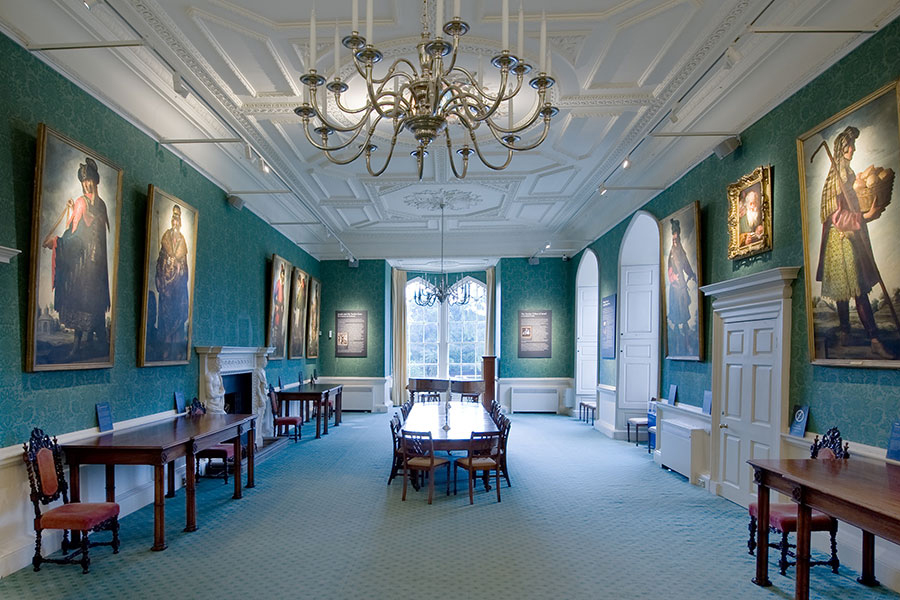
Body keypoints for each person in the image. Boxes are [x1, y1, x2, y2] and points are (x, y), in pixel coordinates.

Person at [815, 125, 892, 358]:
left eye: (853, 144)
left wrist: (864, 210)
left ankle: (860, 336)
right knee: (851, 291)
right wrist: (864, 216)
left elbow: (852, 203)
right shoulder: (839, 175)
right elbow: (835, 216)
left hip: (849, 239)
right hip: (840, 241)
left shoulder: (847, 172)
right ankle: (869, 338)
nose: (853, 148)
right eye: (850, 144)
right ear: (842, 148)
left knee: (854, 289)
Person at [41, 157, 110, 359]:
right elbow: (76, 233)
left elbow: (77, 234)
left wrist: (56, 242)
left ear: (95, 181)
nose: (86, 184)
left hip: (92, 268)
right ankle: (79, 345)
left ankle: (88, 344)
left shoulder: (97, 205)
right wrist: (59, 240)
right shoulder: (84, 203)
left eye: (88, 180)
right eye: (83, 182)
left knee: (90, 305)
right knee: (83, 303)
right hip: (86, 267)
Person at [154, 204, 189, 360]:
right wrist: (162, 280)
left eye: (178, 218)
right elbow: (160, 260)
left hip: (179, 288)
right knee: (165, 317)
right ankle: (166, 347)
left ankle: (178, 348)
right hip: (167, 285)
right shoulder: (166, 238)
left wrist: (181, 270)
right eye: (173, 217)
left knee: (179, 315)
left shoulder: (182, 241)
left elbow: (185, 266)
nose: (175, 221)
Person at [666, 218, 697, 356]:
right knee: (677, 314)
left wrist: (691, 275)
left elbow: (686, 266)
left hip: (682, 287)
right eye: (673, 239)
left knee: (684, 315)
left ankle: (686, 344)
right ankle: (678, 344)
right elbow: (669, 270)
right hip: (675, 288)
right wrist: (674, 278)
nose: (675, 241)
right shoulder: (671, 253)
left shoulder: (681, 251)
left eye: (676, 238)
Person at [271, 263, 286, 354]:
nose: (283, 276)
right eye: (282, 274)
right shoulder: (278, 283)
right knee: (276, 324)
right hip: (278, 307)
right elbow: (274, 295)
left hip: (281, 308)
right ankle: (275, 344)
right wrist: (276, 304)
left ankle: (278, 346)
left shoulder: (283, 285)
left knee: (280, 325)